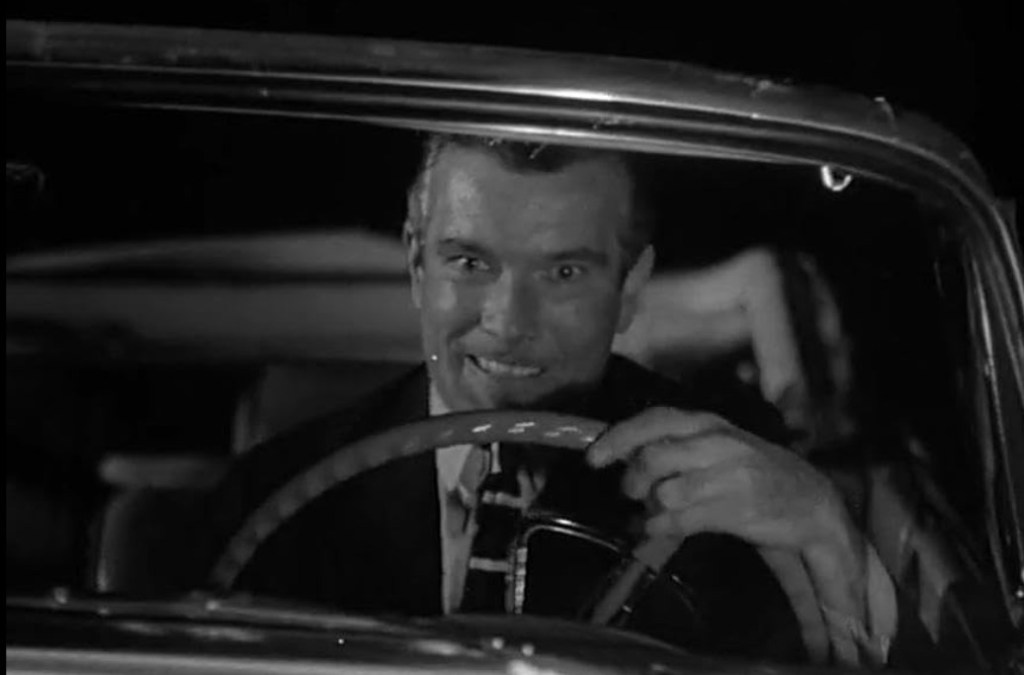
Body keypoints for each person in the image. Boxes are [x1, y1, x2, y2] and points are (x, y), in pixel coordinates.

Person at [203, 134, 900, 668]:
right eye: (469, 263)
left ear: (629, 289)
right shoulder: (274, 500)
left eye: (564, 272)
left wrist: (828, 533)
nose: (510, 322)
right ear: (417, 265)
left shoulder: (733, 473)